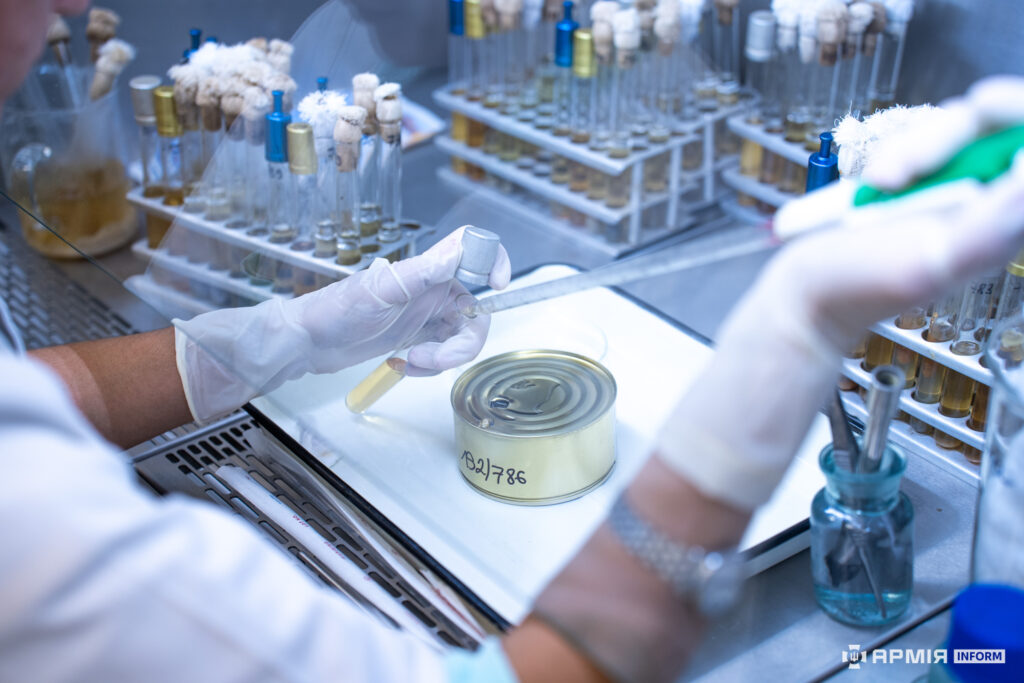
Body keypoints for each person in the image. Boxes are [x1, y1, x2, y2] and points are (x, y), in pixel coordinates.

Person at [3, 1, 1024, 682]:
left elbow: (31, 396)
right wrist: (788, 338)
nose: (67, 5)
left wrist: (274, 337)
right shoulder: (34, 529)